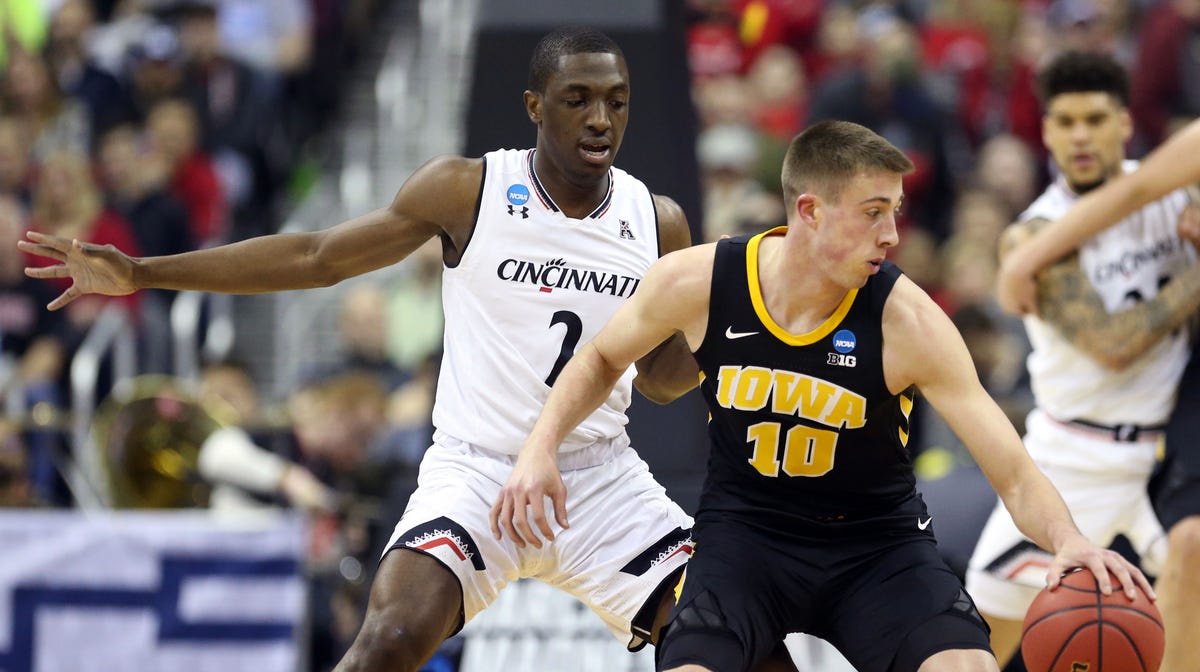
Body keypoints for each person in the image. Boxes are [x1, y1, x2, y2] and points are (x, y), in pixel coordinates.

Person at [20, 27, 794, 672]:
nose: (601, 120)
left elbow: (659, 382)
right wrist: (144, 272)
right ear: (533, 106)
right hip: (479, 468)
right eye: (578, 99)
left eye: (617, 103)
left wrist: (740, 322)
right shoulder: (468, 190)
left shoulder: (656, 220)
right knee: (386, 640)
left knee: (749, 647)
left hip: (597, 479)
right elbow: (316, 255)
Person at [490, 120, 1153, 672]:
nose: (892, 234)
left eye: (895, 212)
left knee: (967, 669)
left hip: (876, 549)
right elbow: (602, 355)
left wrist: (1067, 539)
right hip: (746, 540)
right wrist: (539, 448)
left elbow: (1010, 468)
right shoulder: (702, 281)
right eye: (873, 213)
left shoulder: (907, 321)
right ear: (809, 210)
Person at [962, 51, 1200, 668]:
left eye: (1095, 119)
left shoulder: (1173, 197)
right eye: (1065, 122)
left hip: (1164, 457)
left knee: (1192, 565)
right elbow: (1115, 345)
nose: (1080, 136)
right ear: (1044, 132)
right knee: (973, 645)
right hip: (1074, 460)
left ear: (1125, 123)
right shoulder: (1030, 234)